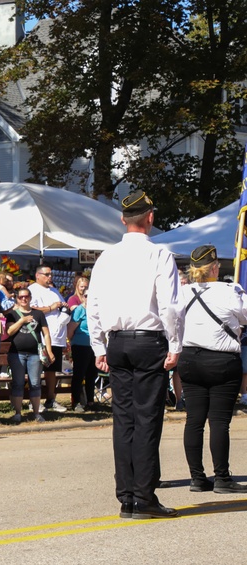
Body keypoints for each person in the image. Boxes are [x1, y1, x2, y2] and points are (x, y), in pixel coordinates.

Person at [88, 189, 184, 520]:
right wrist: (175, 345)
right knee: (147, 420)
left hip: (117, 340)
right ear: (151, 217)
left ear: (122, 219)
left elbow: (93, 303)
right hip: (149, 340)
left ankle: (126, 497)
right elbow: (169, 306)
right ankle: (144, 496)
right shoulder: (160, 255)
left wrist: (99, 345)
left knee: (123, 420)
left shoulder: (106, 257)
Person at [176, 245, 247, 494]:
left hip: (190, 359)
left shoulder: (183, 293)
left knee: (194, 421)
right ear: (215, 267)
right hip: (221, 361)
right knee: (219, 422)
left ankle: (197, 477)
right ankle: (222, 478)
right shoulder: (230, 291)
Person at [5, 284, 53, 424]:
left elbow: (46, 333)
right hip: (17, 354)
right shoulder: (12, 315)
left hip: (35, 354)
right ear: (17, 299)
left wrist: (49, 351)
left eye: (26, 296)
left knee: (35, 383)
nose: (24, 299)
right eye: (21, 297)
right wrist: (22, 321)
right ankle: (18, 413)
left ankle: (37, 413)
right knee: (18, 383)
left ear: (30, 298)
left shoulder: (38, 314)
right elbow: (9, 331)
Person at [29, 265, 69, 413]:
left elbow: (60, 306)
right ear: (37, 275)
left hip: (56, 337)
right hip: (42, 336)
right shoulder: (33, 290)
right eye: (46, 274)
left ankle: (51, 399)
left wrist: (63, 307)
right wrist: (51, 307)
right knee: (38, 369)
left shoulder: (54, 290)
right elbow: (31, 310)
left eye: (50, 274)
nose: (49, 277)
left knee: (52, 369)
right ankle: (35, 400)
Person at [67, 280, 96, 412]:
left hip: (94, 346)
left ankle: (90, 400)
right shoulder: (79, 310)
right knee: (79, 374)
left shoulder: (96, 310)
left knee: (92, 373)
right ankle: (76, 402)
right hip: (80, 344)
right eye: (86, 296)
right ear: (82, 297)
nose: (88, 298)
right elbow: (70, 330)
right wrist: (74, 342)